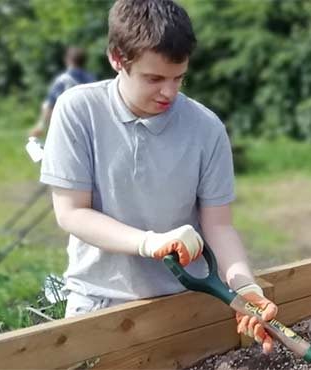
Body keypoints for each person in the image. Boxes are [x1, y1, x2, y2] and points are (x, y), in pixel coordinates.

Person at [40, 0, 278, 354]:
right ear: (117, 58)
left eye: (178, 77)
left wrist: (244, 286)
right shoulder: (79, 110)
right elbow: (71, 213)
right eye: (154, 78)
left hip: (186, 304)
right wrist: (150, 243)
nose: (169, 92)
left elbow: (219, 226)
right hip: (99, 302)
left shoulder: (206, 128)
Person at [28, 47, 97, 138]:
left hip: (66, 127)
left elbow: (49, 105)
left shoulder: (62, 80)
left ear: (67, 60)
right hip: (89, 127)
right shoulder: (92, 79)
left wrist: (41, 126)